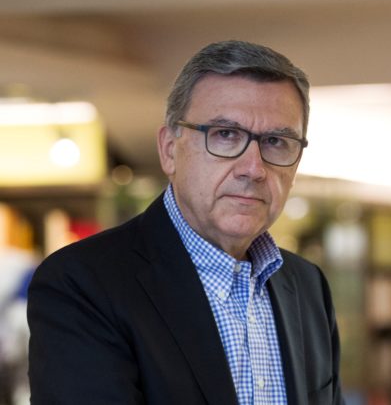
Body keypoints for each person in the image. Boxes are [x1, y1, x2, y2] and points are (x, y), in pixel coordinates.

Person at [28, 40, 344, 405]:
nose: (254, 169)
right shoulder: (82, 284)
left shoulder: (307, 286)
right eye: (225, 135)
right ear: (169, 150)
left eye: (276, 141)